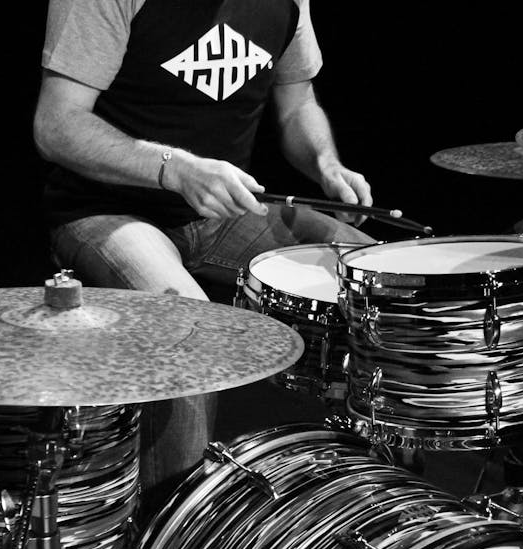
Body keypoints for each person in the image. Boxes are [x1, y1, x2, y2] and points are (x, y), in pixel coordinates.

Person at [33, 0, 374, 508]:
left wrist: (326, 165)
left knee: (376, 278)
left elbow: (297, 102)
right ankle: (168, 532)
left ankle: (379, 501)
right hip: (106, 210)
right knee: (190, 331)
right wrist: (174, 168)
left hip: (222, 211)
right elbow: (57, 124)